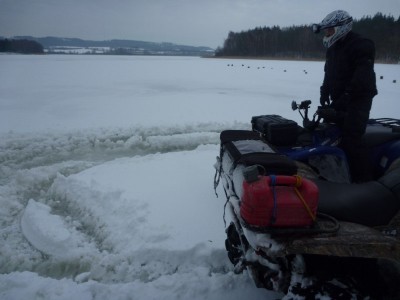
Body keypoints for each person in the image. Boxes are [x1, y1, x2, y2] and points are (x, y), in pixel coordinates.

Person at [312, 10, 378, 182]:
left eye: (330, 30)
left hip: (359, 99)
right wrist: (324, 90)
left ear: (342, 27)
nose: (327, 34)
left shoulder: (362, 44)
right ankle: (339, 172)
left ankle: (364, 181)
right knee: (333, 133)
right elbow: (329, 71)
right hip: (340, 97)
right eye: (326, 31)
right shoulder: (333, 48)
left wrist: (345, 98)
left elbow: (362, 77)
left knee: (352, 137)